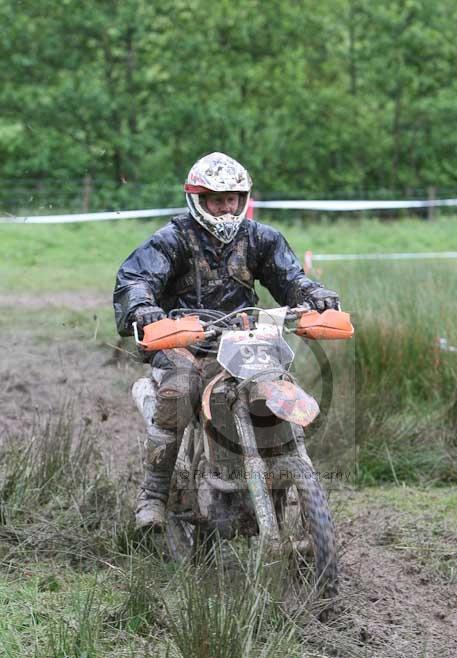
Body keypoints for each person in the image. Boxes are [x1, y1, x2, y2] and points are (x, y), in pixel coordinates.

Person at [113, 152, 340, 530]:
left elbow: (289, 277)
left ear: (243, 198)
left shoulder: (260, 238)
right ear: (199, 200)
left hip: (242, 339)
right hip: (182, 340)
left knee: (274, 389)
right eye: (217, 199)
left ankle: (281, 475)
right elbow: (135, 279)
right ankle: (153, 495)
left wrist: (311, 292)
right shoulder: (173, 240)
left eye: (232, 198)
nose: (225, 207)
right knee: (179, 391)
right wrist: (143, 308)